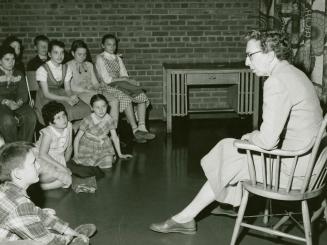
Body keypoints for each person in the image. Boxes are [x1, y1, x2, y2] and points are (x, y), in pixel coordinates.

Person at [149, 30, 323, 234]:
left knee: (230, 149)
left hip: (293, 174)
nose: (247, 62)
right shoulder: (295, 73)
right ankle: (227, 201)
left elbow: (267, 142)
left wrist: (249, 137)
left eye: (250, 55)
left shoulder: (276, 82)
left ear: (271, 52)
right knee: (232, 149)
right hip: (315, 166)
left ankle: (187, 217)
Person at [0, 141, 96, 244]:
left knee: (44, 215)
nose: (38, 166)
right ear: (18, 173)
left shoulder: (5, 188)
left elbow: (38, 214)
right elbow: (48, 242)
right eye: (33, 163)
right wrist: (70, 239)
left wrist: (66, 230)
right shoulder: (21, 207)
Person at [95, 34, 155, 143]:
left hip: (120, 84)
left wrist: (125, 80)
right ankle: (135, 130)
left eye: (114, 45)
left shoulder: (118, 58)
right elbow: (107, 80)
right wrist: (124, 80)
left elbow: (125, 75)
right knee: (125, 99)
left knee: (141, 96)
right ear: (103, 45)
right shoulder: (100, 58)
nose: (112, 47)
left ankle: (142, 128)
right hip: (107, 87)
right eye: (109, 45)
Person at [35, 40, 90, 124]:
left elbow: (67, 89)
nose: (59, 56)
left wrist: (72, 96)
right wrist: (66, 99)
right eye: (56, 53)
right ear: (49, 54)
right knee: (65, 111)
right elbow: (46, 94)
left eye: (62, 53)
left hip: (61, 93)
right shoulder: (42, 69)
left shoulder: (66, 68)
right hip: (46, 97)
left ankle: (74, 130)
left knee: (85, 108)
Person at [66, 40, 119, 124]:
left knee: (114, 100)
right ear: (73, 53)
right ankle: (98, 128)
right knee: (99, 103)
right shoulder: (68, 66)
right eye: (79, 54)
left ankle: (113, 130)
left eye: (84, 54)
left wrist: (99, 88)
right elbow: (73, 87)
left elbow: (95, 83)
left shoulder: (89, 65)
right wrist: (91, 91)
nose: (83, 57)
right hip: (79, 93)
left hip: (92, 91)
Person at [74, 94, 132, 169]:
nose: (101, 110)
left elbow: (115, 137)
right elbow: (77, 138)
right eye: (97, 107)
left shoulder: (109, 119)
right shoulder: (88, 120)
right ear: (92, 108)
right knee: (85, 164)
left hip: (103, 146)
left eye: (103, 106)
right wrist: (76, 154)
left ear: (107, 106)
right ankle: (93, 162)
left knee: (108, 164)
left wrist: (120, 154)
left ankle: (101, 160)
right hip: (88, 146)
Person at [0, 45, 37, 143]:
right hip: (2, 103)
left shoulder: (18, 73)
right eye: (7, 59)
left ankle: (24, 145)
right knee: (7, 120)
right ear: (0, 61)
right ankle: (12, 147)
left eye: (13, 59)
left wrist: (18, 103)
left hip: (17, 102)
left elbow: (23, 92)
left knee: (31, 116)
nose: (11, 62)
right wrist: (7, 102)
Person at [33, 101, 73, 190]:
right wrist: (62, 168)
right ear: (50, 123)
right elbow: (42, 154)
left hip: (57, 159)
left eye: (64, 115)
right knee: (49, 176)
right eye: (58, 118)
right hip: (43, 158)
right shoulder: (48, 133)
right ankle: (35, 184)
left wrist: (65, 166)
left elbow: (69, 147)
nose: (63, 119)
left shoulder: (69, 126)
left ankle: (41, 187)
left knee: (68, 179)